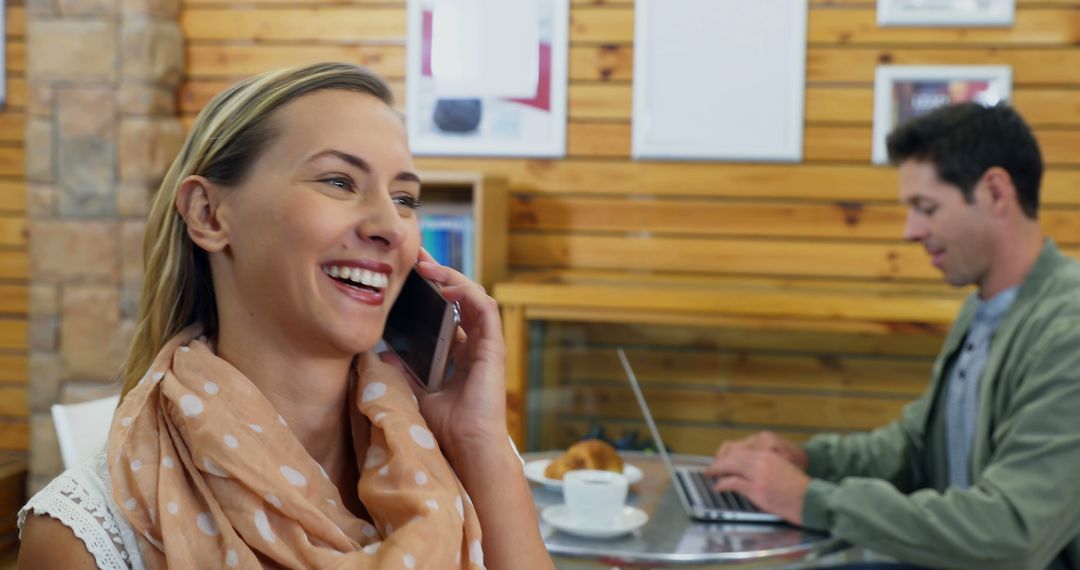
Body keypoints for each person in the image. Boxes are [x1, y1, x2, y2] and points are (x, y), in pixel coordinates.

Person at [17, 62, 554, 569]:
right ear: (208, 214)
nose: (390, 226)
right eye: (339, 181)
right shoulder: (87, 536)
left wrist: (480, 442)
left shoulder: (462, 449)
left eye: (405, 199)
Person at [706, 103, 1080, 570]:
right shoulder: (982, 311)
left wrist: (812, 500)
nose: (911, 232)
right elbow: (913, 450)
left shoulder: (1069, 333)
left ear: (995, 191)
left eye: (927, 208)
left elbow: (1012, 532)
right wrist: (806, 460)